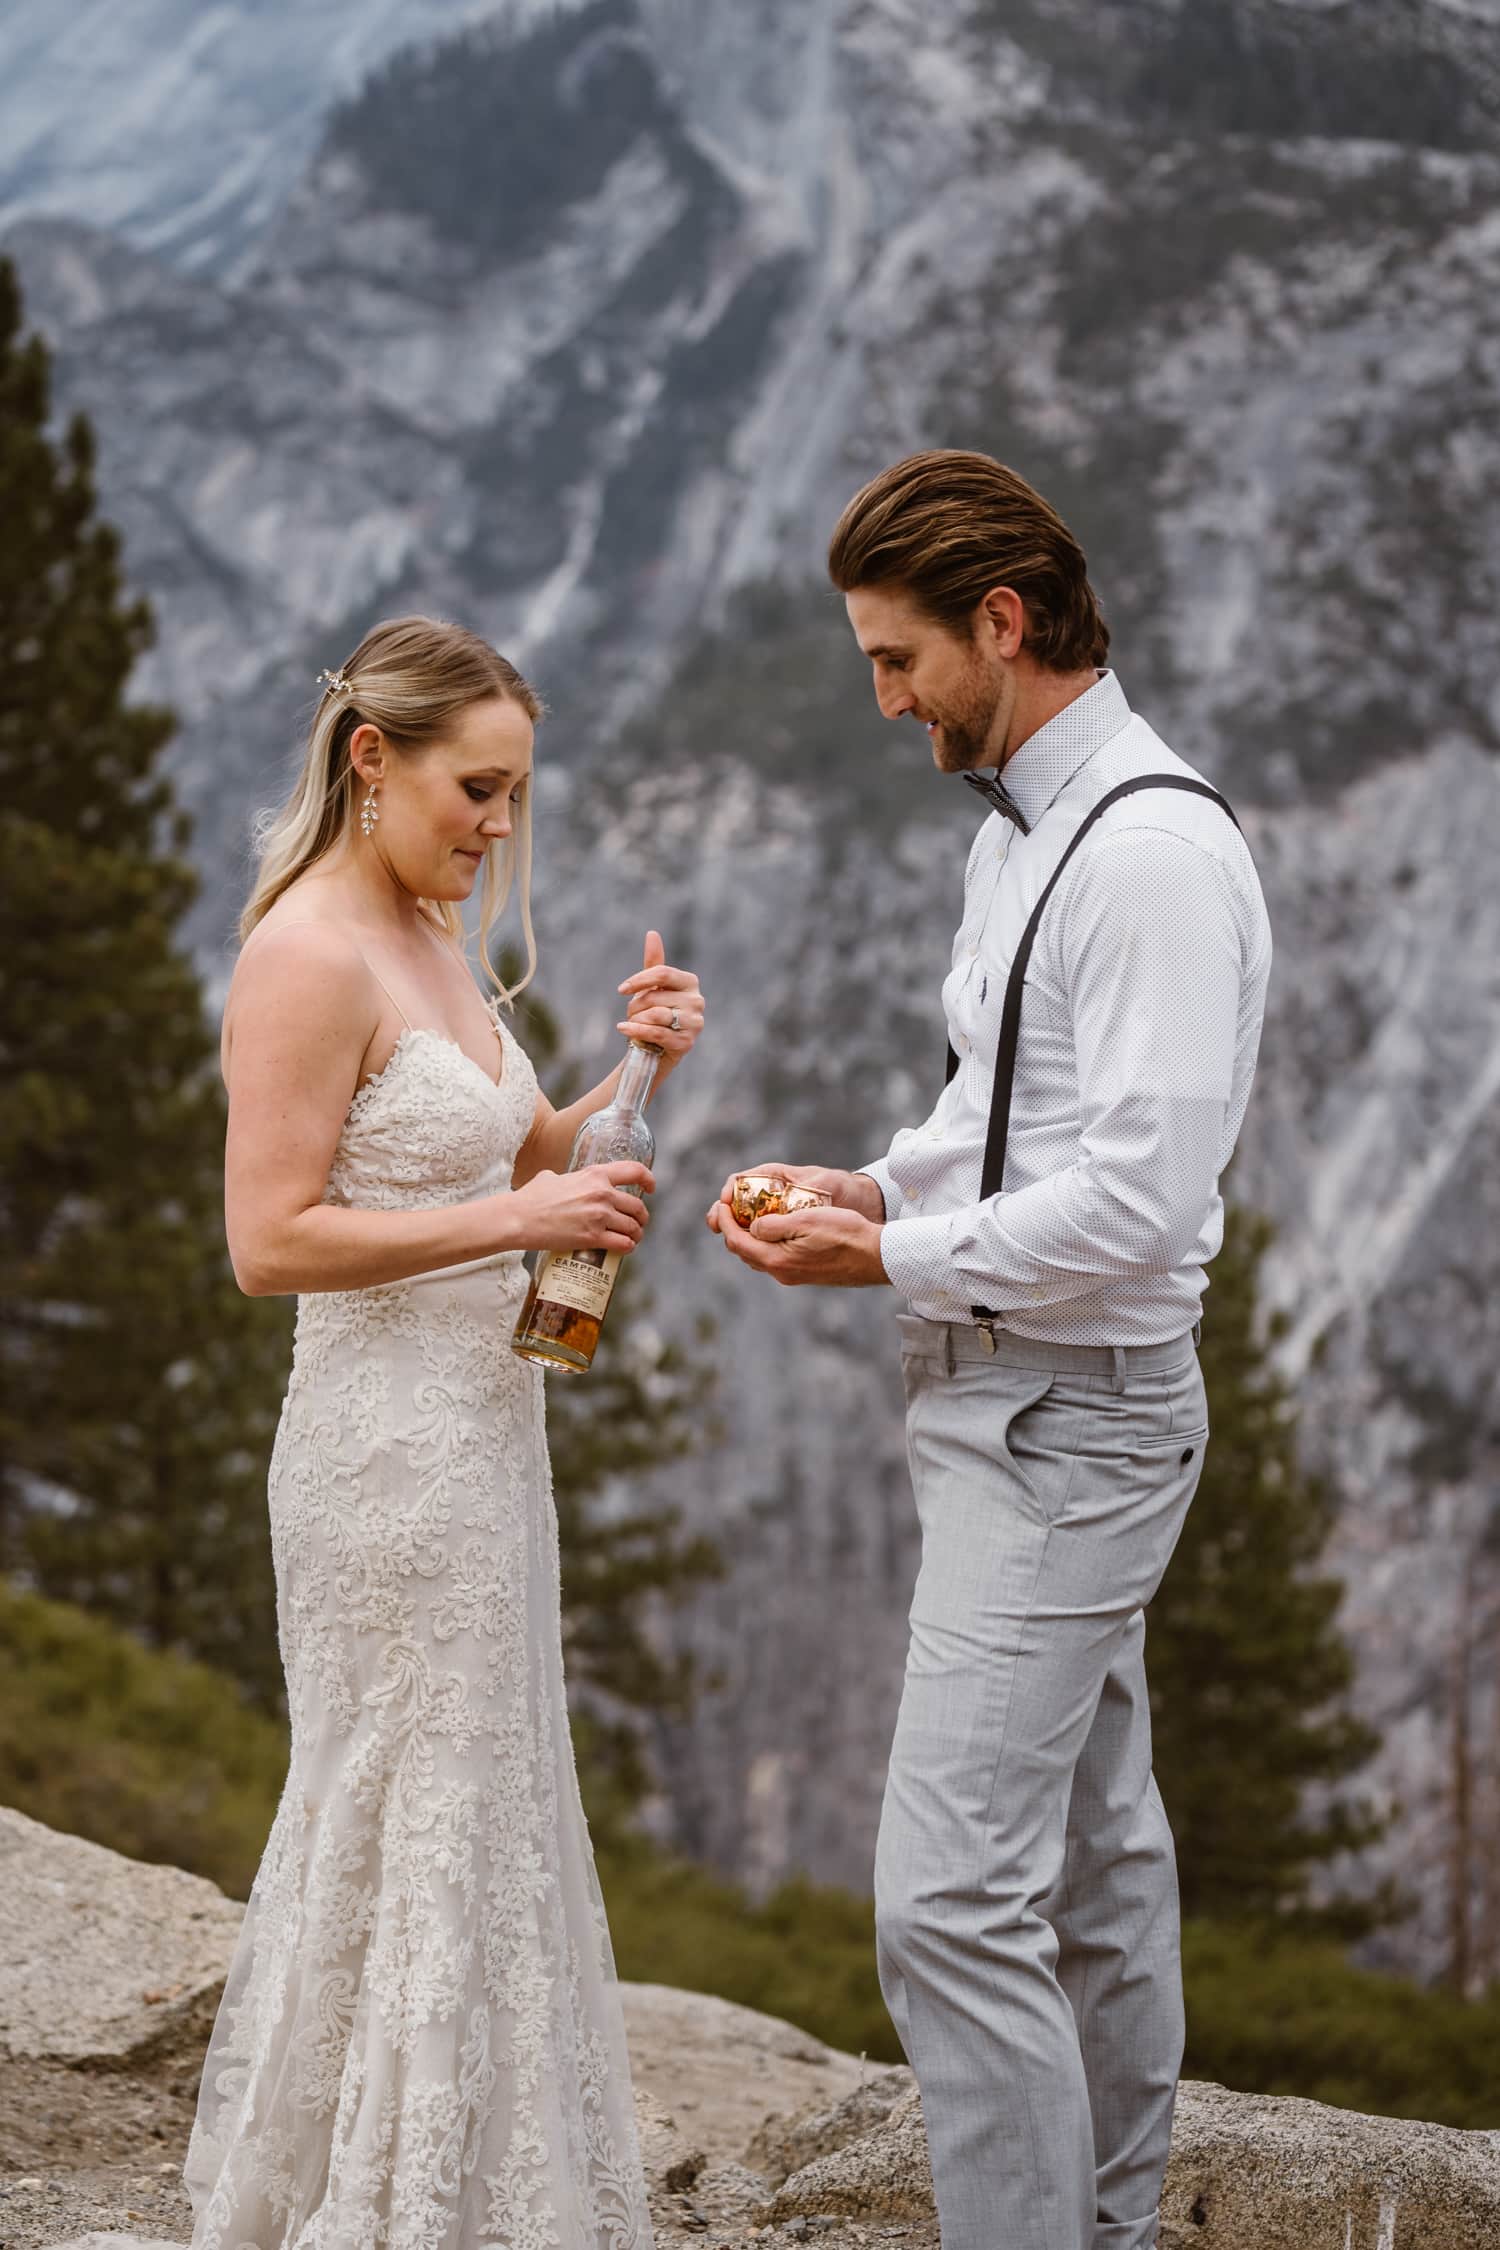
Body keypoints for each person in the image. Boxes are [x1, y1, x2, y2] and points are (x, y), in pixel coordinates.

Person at [709, 451, 1271, 2250]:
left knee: (948, 1902)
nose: (885, 699)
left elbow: (1140, 1197)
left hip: (1076, 1422)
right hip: (1009, 1405)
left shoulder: (1159, 856)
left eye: (899, 659)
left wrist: (888, 1254)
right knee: (1099, 1871)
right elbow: (998, 1118)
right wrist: (865, 1183)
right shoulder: (1014, 833)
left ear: (1002, 624)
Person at [186, 614, 703, 2250]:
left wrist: (632, 1075)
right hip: (380, 1466)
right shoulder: (304, 954)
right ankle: (378, 2205)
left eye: (516, 797)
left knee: (480, 1806)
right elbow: (269, 1240)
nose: (498, 827)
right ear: (370, 760)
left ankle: (455, 2194)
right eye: (476, 789)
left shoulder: (428, 934)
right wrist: (520, 1213)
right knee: (405, 1802)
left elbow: (503, 1151)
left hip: (483, 1450)